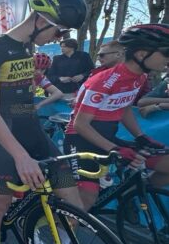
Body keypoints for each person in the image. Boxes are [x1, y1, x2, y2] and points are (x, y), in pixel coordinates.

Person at [0, 0, 87, 244]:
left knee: (73, 201)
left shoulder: (29, 48)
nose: (58, 38)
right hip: (2, 130)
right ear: (40, 19)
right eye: (58, 31)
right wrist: (21, 156)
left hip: (30, 127)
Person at [65, 24, 169, 209]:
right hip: (81, 139)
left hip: (107, 137)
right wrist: (115, 149)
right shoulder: (104, 80)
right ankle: (62, 223)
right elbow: (81, 124)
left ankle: (128, 197)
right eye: (166, 52)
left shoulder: (139, 77)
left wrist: (140, 136)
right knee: (86, 200)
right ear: (141, 54)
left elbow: (124, 108)